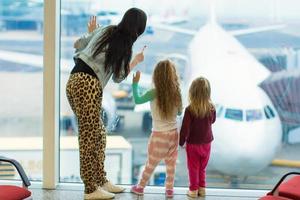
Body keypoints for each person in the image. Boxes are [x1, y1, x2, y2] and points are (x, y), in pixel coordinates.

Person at [66, 8, 147, 200]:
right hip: (88, 85)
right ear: (138, 29)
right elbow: (119, 77)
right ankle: (90, 189)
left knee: (98, 134)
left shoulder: (107, 30)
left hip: (75, 80)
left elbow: (77, 44)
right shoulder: (125, 46)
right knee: (89, 138)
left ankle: (100, 181)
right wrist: (135, 61)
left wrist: (92, 33)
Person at [130, 60, 182, 198]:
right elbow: (179, 112)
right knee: (171, 164)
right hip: (173, 133)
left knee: (151, 163)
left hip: (159, 134)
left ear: (156, 75)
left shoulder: (153, 92)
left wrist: (135, 84)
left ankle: (140, 187)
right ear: (173, 75)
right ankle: (169, 190)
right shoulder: (176, 92)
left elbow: (138, 100)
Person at [179, 77, 216, 198]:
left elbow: (185, 128)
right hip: (207, 143)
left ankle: (193, 190)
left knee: (193, 168)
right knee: (202, 168)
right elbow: (213, 121)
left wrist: (181, 141)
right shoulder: (212, 108)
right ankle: (202, 189)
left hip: (193, 144)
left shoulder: (190, 109)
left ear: (192, 92)